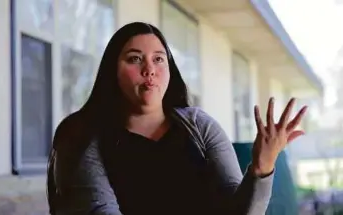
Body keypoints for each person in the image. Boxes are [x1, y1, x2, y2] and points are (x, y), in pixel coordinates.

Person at [47, 22, 308, 215]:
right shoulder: (81, 136)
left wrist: (262, 168)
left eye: (159, 59)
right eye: (135, 59)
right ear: (111, 72)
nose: (149, 69)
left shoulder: (200, 127)